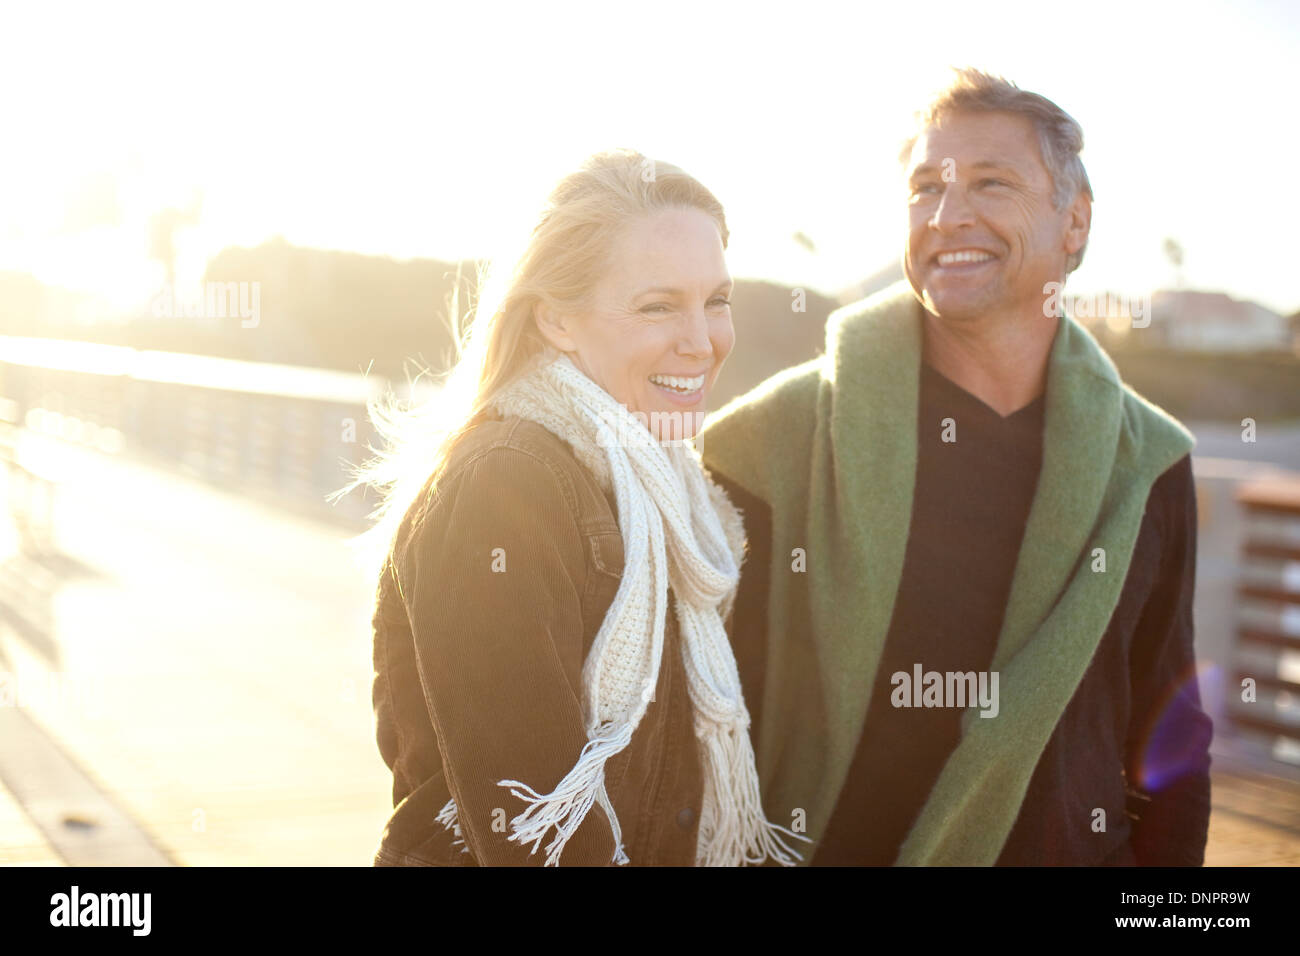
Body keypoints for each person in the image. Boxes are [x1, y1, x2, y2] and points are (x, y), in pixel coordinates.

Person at [697, 69, 1214, 866]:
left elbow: (1168, 735)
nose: (947, 215)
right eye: (925, 186)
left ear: (1073, 223)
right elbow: (693, 711)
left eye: (991, 183)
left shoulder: (1147, 465)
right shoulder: (768, 441)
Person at [360, 149, 806, 866]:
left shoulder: (663, 485)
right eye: (658, 306)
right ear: (557, 321)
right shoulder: (504, 486)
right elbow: (530, 828)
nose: (702, 341)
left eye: (716, 301)